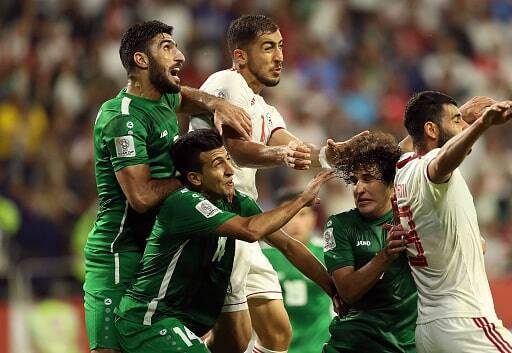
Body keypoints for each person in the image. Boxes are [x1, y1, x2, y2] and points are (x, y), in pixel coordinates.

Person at [190, 15, 360, 353]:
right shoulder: (227, 83)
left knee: (277, 334)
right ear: (240, 56)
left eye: (281, 46)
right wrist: (282, 155)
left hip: (244, 213)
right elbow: (237, 150)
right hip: (215, 217)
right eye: (268, 48)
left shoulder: (263, 108)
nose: (279, 56)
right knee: (226, 338)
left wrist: (332, 156)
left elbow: (293, 148)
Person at [85, 20, 252, 353]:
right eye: (167, 47)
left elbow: (183, 98)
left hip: (157, 252)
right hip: (121, 255)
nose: (181, 55)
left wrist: (216, 104)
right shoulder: (123, 117)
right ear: (141, 61)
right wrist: (192, 177)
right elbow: (142, 197)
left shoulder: (162, 99)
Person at [114, 129, 335, 353]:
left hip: (184, 322)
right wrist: (301, 201)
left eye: (228, 160)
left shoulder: (235, 201)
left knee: (244, 341)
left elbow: (288, 245)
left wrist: (334, 292)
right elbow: (249, 231)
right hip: (150, 319)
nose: (230, 171)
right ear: (195, 177)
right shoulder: (182, 203)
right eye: (219, 163)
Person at [393, 91, 512, 353]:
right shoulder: (432, 164)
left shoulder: (403, 168)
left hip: (429, 329)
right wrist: (481, 124)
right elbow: (442, 161)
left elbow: (408, 144)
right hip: (465, 322)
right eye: (456, 121)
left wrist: (460, 114)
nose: (463, 124)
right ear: (431, 130)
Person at [322, 132, 416, 353]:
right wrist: (385, 255)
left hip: (407, 346)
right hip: (352, 345)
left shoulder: (413, 218)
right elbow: (347, 292)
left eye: (368, 178)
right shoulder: (340, 225)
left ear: (391, 183)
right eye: (354, 180)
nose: (358, 188)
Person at [261, 189, 333, 353]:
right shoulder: (262, 256)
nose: (295, 222)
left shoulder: (328, 253)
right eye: (290, 214)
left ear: (313, 218)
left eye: (302, 214)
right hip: (276, 347)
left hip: (320, 345)